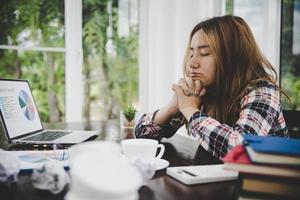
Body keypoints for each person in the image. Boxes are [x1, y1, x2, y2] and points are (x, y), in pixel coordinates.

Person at [135, 15, 289, 160]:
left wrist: (190, 110)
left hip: (265, 184)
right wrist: (173, 107)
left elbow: (240, 150)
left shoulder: (263, 91)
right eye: (191, 53)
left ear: (232, 58)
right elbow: (142, 135)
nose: (192, 63)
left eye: (204, 53)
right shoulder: (207, 88)